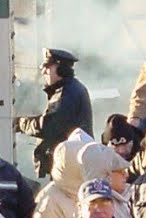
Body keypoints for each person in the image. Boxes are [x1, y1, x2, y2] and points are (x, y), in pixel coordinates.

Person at [16, 48, 94, 177]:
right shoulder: (71, 89)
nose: (43, 71)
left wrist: (20, 123)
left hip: (68, 166)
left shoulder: (66, 93)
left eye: (47, 67)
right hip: (71, 162)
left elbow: (48, 125)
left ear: (60, 68)